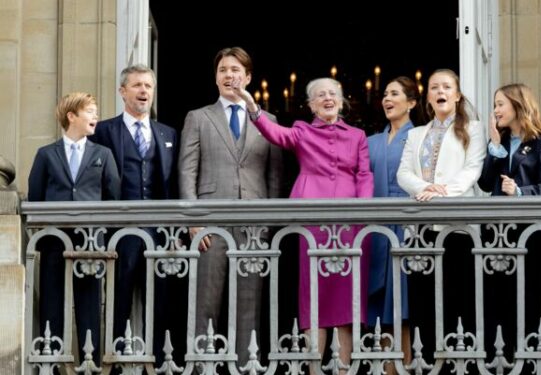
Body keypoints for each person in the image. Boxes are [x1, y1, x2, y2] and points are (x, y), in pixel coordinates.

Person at [233, 76, 373, 373]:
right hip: (313, 221)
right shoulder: (302, 131)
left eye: (333, 93)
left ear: (342, 99)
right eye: (320, 95)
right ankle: (312, 369)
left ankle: (344, 369)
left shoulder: (357, 135)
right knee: (315, 300)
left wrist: (365, 208)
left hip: (351, 222)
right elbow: (275, 133)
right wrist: (251, 106)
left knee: (347, 302)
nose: (327, 98)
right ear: (311, 104)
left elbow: (364, 174)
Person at [177, 46, 282, 366]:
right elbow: (187, 170)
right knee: (205, 301)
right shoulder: (198, 117)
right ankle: (200, 367)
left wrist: (269, 225)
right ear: (215, 77)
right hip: (210, 223)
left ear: (248, 77)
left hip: (253, 225)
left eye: (236, 70)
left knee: (249, 304)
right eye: (223, 70)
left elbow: (275, 176)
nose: (229, 76)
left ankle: (246, 367)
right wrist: (192, 220)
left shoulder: (269, 120)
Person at [396, 69, 486, 368]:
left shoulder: (473, 128)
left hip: (457, 228)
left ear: (457, 95)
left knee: (457, 299)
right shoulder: (415, 133)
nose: (440, 91)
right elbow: (403, 173)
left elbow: (472, 170)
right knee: (424, 301)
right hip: (422, 229)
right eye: (434, 87)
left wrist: (443, 193)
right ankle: (428, 364)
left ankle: (460, 364)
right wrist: (426, 189)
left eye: (446, 86)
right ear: (428, 97)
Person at [90, 64, 178, 367]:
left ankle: (158, 363)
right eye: (138, 85)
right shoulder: (102, 131)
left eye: (148, 86)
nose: (144, 92)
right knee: (119, 299)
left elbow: (175, 184)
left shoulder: (168, 133)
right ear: (122, 91)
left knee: (161, 301)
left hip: (158, 230)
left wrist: (177, 229)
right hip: (120, 229)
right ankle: (114, 364)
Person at [28, 92, 121, 367]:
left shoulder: (103, 154)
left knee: (89, 303)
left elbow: (113, 197)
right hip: (55, 240)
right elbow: (35, 197)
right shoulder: (46, 154)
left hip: (90, 240)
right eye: (90, 111)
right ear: (72, 116)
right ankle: (52, 365)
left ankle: (88, 366)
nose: (96, 117)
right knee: (52, 302)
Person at [478, 83, 541, 366]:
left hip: (527, 235)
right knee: (495, 301)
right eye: (495, 104)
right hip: (495, 233)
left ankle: (526, 365)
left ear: (517, 105)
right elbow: (486, 183)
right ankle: (496, 363)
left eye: (500, 104)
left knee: (526, 299)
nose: (496, 110)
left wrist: (521, 191)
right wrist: (495, 148)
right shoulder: (498, 142)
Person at [367, 76, 424, 366]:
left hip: (407, 230)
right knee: (377, 307)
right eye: (385, 94)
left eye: (395, 94)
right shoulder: (371, 141)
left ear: (412, 103)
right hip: (375, 232)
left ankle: (401, 369)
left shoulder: (422, 136)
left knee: (401, 306)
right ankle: (383, 367)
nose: (387, 99)